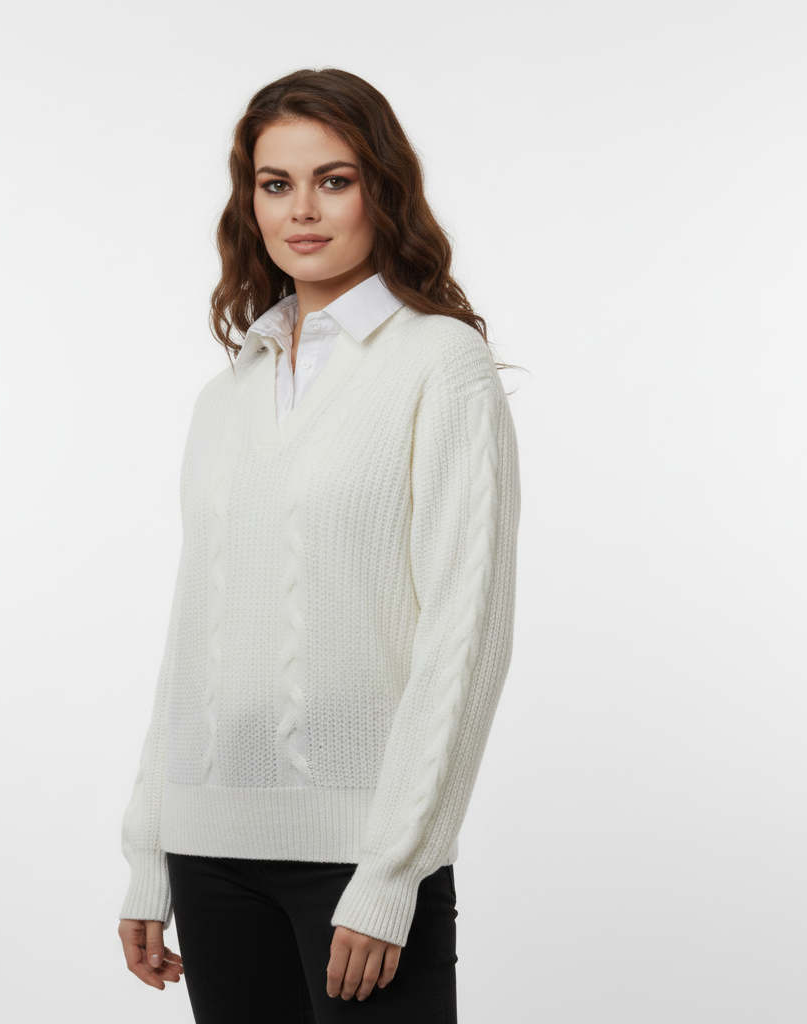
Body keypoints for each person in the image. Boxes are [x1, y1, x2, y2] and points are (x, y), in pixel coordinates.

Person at [117, 67, 521, 1024]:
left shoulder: (442, 365)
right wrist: (149, 854)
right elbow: (191, 639)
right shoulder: (226, 395)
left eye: (333, 180)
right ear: (250, 202)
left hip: (356, 855)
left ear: (383, 191)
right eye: (276, 183)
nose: (302, 209)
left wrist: (393, 873)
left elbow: (464, 640)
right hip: (208, 852)